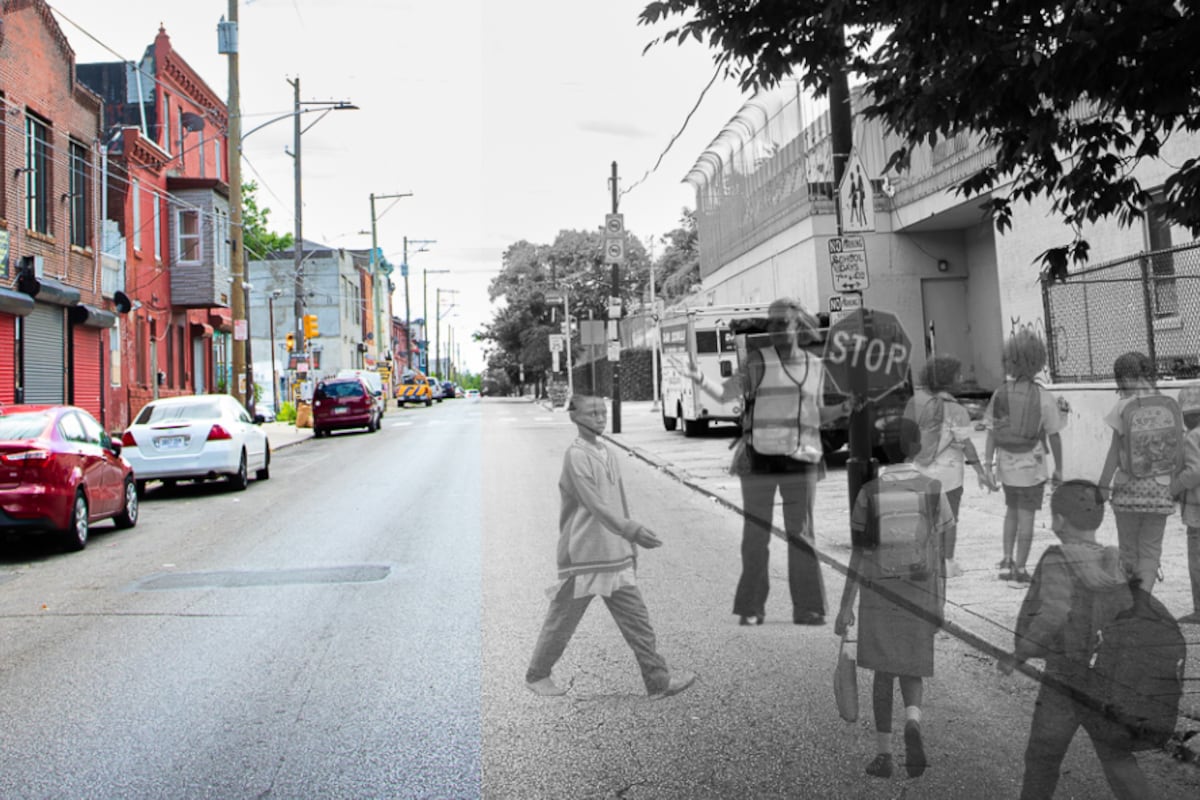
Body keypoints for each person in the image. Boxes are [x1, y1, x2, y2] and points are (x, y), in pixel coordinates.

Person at [689, 298, 850, 626]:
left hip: (801, 459)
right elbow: (724, 395)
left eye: (782, 323)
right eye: (771, 324)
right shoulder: (757, 363)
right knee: (756, 535)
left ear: (798, 326)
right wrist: (699, 379)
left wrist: (845, 409)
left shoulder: (815, 367)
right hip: (759, 460)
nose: (775, 329)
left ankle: (808, 608)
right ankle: (751, 608)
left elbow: (816, 414)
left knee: (801, 535)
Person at [525, 394, 696, 699]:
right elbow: (597, 506)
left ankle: (657, 682)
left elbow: (619, 502)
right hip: (584, 554)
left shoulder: (607, 452)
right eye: (593, 413)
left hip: (614, 554)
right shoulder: (576, 456)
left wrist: (629, 541)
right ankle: (537, 675)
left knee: (638, 621)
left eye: (603, 412)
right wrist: (631, 530)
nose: (601, 418)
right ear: (575, 418)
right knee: (562, 619)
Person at [999, 480, 1154, 800]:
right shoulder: (1117, 561)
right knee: (1117, 757)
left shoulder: (1060, 559)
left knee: (1043, 757)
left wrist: (1020, 654)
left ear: (1058, 521)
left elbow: (1053, 614)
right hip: (1108, 678)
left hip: (1065, 678)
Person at [836, 417, 951, 779]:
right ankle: (913, 722)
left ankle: (884, 755)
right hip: (918, 592)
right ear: (917, 447)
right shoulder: (933, 489)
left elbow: (858, 554)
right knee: (912, 665)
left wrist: (845, 606)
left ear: (881, 449)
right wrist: (940, 602)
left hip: (879, 594)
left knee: (884, 673)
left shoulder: (868, 493)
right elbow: (941, 551)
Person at [984, 327, 1064, 583]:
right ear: (1037, 360)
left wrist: (988, 464)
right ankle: (1020, 567)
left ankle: (1006, 561)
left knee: (1011, 512)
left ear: (1009, 359)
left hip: (1006, 465)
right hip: (1033, 466)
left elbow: (991, 432)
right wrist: (1059, 468)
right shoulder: (1042, 395)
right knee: (1027, 516)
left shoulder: (1000, 393)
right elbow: (1054, 433)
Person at [1098, 351, 1182, 594]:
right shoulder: (1166, 404)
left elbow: (1114, 452)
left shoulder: (1123, 407)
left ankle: (1130, 598)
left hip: (1128, 491)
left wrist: (1103, 486)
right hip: (1160, 489)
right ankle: (1144, 600)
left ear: (1123, 378)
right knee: (1151, 549)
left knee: (1128, 549)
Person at [905, 355, 996, 578]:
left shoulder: (916, 404)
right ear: (949, 380)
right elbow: (967, 445)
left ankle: (922, 561)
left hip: (921, 470)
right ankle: (946, 563)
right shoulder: (957, 410)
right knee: (948, 520)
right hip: (950, 474)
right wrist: (981, 472)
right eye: (958, 375)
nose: (962, 378)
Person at [1169, 385, 1200, 623]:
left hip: (1196, 511)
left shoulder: (1191, 437)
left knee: (1197, 562)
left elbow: (1194, 473)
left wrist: (1173, 488)